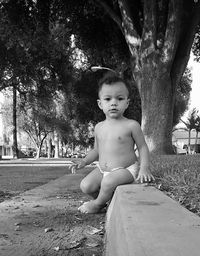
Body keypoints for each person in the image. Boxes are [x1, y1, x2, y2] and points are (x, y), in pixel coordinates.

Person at [70, 74, 155, 214]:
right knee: (86, 185)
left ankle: (97, 204)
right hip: (103, 170)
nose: (113, 103)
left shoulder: (131, 125)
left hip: (126, 169)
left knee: (108, 182)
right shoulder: (98, 127)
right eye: (108, 99)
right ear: (100, 104)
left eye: (119, 99)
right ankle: (105, 200)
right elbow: (97, 150)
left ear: (127, 103)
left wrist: (144, 168)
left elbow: (142, 147)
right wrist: (84, 161)